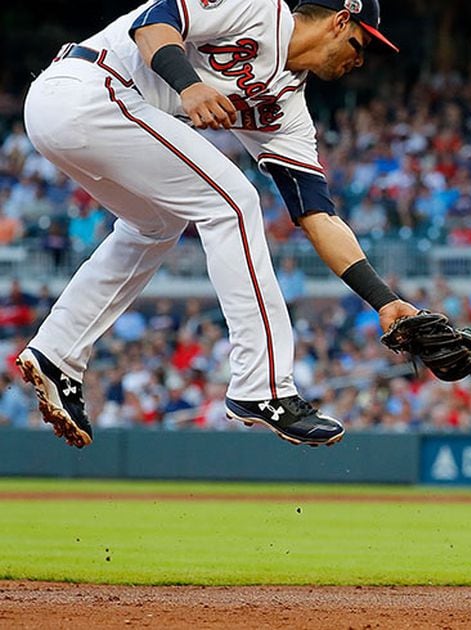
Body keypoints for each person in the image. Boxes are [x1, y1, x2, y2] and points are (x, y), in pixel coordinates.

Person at [16, 0, 423, 449]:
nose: (361, 59)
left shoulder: (285, 107)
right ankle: (263, 387)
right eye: (360, 43)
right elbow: (153, 24)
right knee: (234, 202)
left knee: (156, 225)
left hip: (96, 117)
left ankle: (56, 353)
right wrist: (189, 87)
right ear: (339, 20)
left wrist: (383, 300)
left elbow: (317, 216)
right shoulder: (258, 9)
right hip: (87, 86)